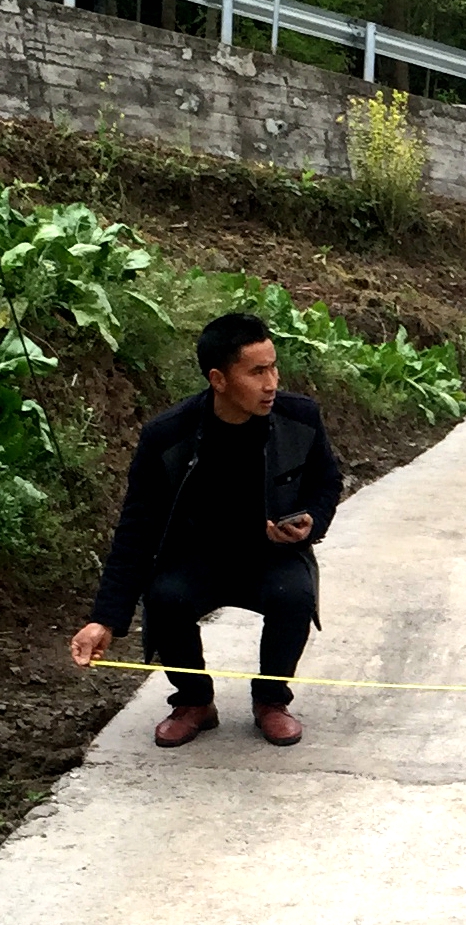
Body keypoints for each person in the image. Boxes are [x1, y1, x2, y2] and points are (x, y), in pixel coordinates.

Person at [69, 311, 343, 747]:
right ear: (218, 379)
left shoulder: (301, 418)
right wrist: (105, 619)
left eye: (273, 366)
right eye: (256, 372)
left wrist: (310, 520)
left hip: (271, 557)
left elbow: (326, 482)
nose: (272, 382)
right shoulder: (167, 436)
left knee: (294, 594)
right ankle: (194, 701)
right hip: (196, 559)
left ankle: (271, 700)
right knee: (164, 596)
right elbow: (136, 528)